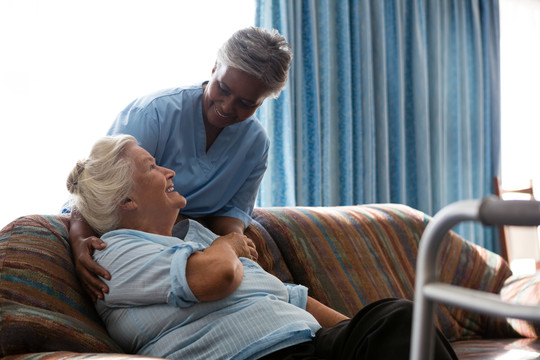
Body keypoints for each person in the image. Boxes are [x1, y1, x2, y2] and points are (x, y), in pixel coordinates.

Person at [66, 134, 458, 360]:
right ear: (127, 202)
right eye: (152, 167)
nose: (169, 171)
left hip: (308, 345)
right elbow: (216, 276)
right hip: (257, 355)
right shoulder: (113, 253)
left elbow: (293, 298)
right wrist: (230, 242)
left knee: (403, 323)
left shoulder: (197, 237)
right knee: (401, 322)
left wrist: (359, 334)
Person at [68, 26, 293, 301]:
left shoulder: (255, 144)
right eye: (223, 88)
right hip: (147, 246)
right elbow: (97, 185)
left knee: (285, 295)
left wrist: (233, 245)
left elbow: (232, 217)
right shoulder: (152, 115)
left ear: (263, 101)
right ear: (214, 68)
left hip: (203, 249)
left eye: (246, 103)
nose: (227, 106)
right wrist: (79, 240)